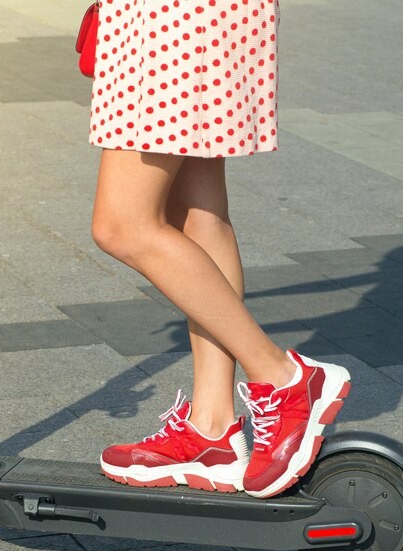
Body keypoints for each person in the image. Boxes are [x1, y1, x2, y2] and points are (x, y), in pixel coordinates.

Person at [89, 0, 351, 499]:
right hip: (178, 16)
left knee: (122, 226)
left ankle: (283, 376)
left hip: (176, 16)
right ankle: (211, 429)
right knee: (198, 214)